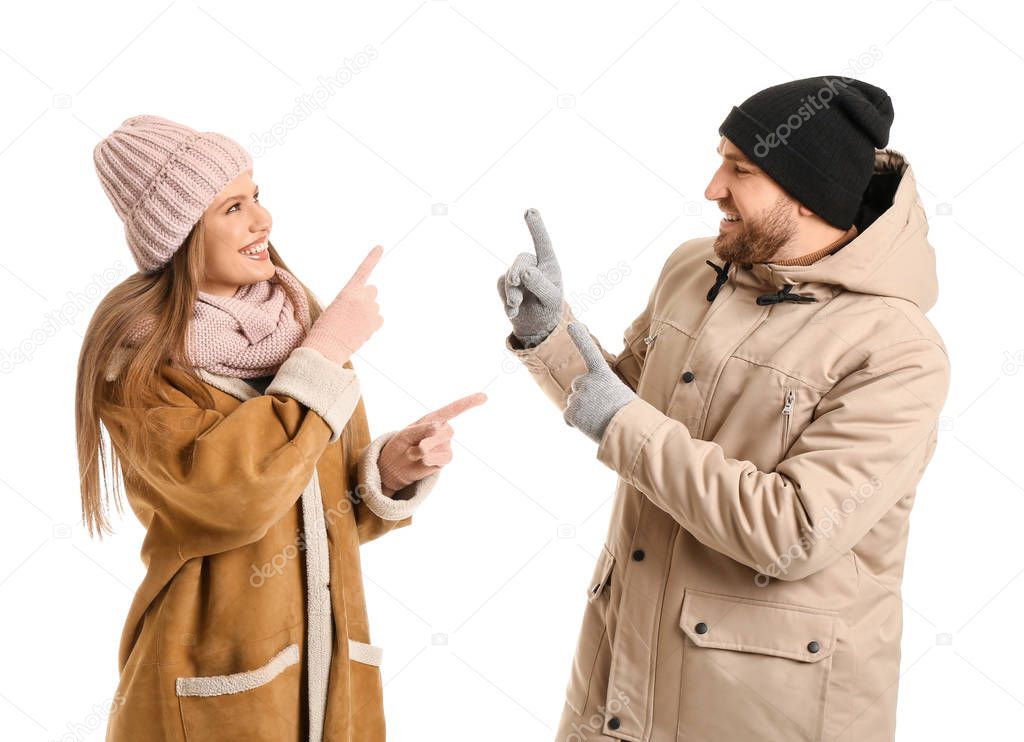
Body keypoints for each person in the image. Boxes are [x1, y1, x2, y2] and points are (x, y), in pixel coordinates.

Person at [499, 76, 950, 741]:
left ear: (806, 193)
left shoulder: (898, 350)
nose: (713, 187)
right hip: (620, 682)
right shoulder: (694, 270)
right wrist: (551, 336)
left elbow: (795, 531)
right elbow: (622, 398)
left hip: (764, 712)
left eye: (739, 169)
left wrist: (619, 421)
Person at [76, 114, 486, 741]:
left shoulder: (296, 328)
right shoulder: (137, 365)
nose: (261, 220)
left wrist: (389, 472)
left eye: (256, 196)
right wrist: (320, 358)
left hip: (328, 682)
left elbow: (328, 516)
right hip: (208, 688)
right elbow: (232, 499)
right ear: (182, 236)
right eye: (232, 207)